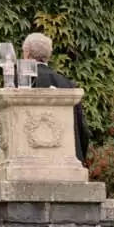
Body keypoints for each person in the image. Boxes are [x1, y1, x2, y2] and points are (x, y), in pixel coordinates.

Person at [24, 33, 90, 164]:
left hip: (32, 160)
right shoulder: (67, 84)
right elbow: (82, 129)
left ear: (26, 53)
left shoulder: (21, 83)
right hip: (68, 159)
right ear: (49, 55)